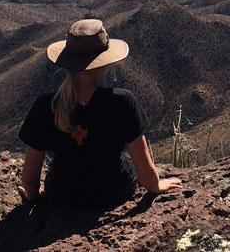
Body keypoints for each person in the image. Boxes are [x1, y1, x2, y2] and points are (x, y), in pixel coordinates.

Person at [18, 19, 182, 208]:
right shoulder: (122, 102)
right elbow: (145, 173)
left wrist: (33, 197)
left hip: (62, 196)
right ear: (105, 62)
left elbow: (30, 180)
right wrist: (156, 186)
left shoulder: (45, 106)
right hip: (115, 193)